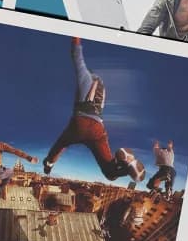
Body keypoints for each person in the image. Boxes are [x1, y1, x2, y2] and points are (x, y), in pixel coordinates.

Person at [44, 37, 145, 182]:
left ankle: (48, 164)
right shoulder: (102, 89)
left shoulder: (86, 77)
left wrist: (76, 40)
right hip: (97, 129)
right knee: (110, 174)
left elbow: (77, 58)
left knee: (60, 145)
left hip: (80, 124)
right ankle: (128, 165)